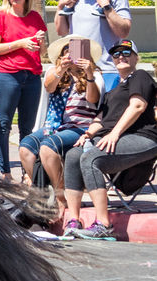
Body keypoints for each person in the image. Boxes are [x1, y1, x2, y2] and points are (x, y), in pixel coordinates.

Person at [63, 40, 157, 239]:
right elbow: (99, 119)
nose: (121, 57)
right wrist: (87, 135)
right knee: (73, 155)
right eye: (116, 54)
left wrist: (114, 132)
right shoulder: (113, 90)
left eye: (126, 52)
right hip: (112, 139)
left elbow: (137, 106)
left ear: (136, 57)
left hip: (142, 138)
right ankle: (73, 220)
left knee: (91, 159)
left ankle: (104, 224)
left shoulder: (140, 76)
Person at [18, 35, 102, 204]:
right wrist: (61, 70)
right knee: (25, 148)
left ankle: (61, 196)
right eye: (67, 51)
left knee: (48, 147)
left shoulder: (95, 74)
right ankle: (42, 192)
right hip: (55, 125)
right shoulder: (54, 72)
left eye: (76, 51)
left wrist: (88, 74)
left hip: (81, 126)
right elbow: (49, 87)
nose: (71, 55)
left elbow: (93, 100)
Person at [0, 0, 48, 179]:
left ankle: (27, 172)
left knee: (27, 127)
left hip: (31, 77)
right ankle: (5, 172)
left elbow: (43, 50)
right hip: (7, 75)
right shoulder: (0, 17)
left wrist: (38, 42)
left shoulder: (35, 17)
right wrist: (21, 43)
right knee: (4, 124)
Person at [54, 0, 131, 91]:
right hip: (77, 72)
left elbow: (124, 31)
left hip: (106, 71)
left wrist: (106, 6)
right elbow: (62, 31)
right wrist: (60, 6)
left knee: (105, 113)